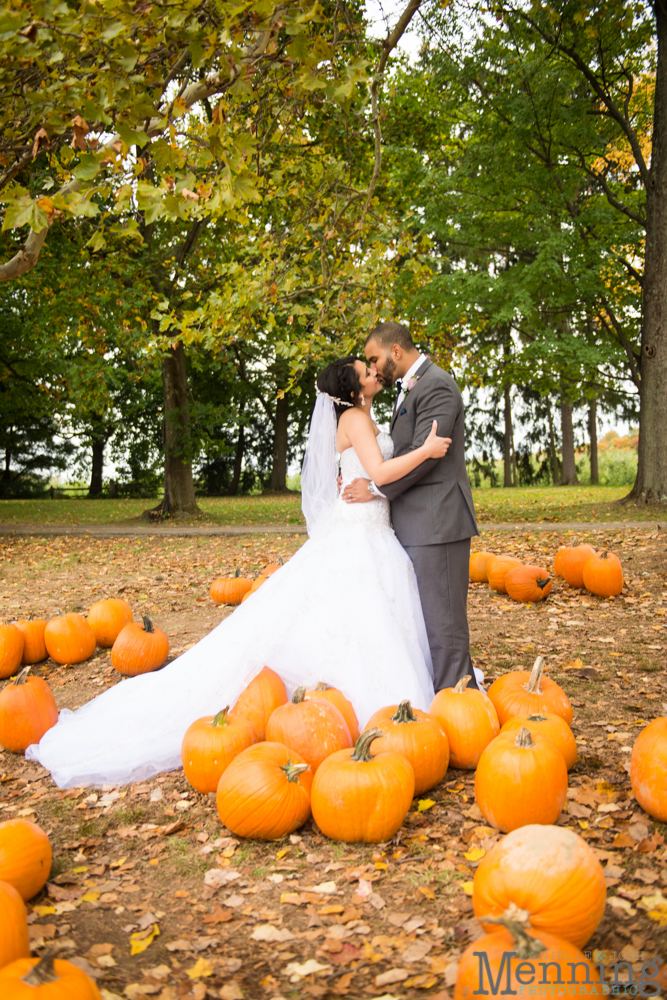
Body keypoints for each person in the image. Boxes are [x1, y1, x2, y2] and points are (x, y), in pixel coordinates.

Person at [28, 357, 449, 789]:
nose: (375, 373)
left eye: (373, 367)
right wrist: (426, 451)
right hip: (360, 533)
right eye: (366, 371)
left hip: (370, 529)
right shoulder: (357, 419)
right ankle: (359, 710)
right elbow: (378, 472)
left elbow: (369, 476)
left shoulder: (363, 416)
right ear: (353, 387)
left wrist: (374, 482)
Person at [343, 321, 479, 693]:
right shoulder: (411, 388)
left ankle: (458, 705)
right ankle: (443, 701)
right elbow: (405, 453)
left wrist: (375, 487)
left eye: (375, 359)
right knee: (426, 625)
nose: (373, 368)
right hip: (416, 524)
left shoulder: (436, 385)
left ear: (396, 352)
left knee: (445, 626)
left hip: (438, 523)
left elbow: (429, 455)